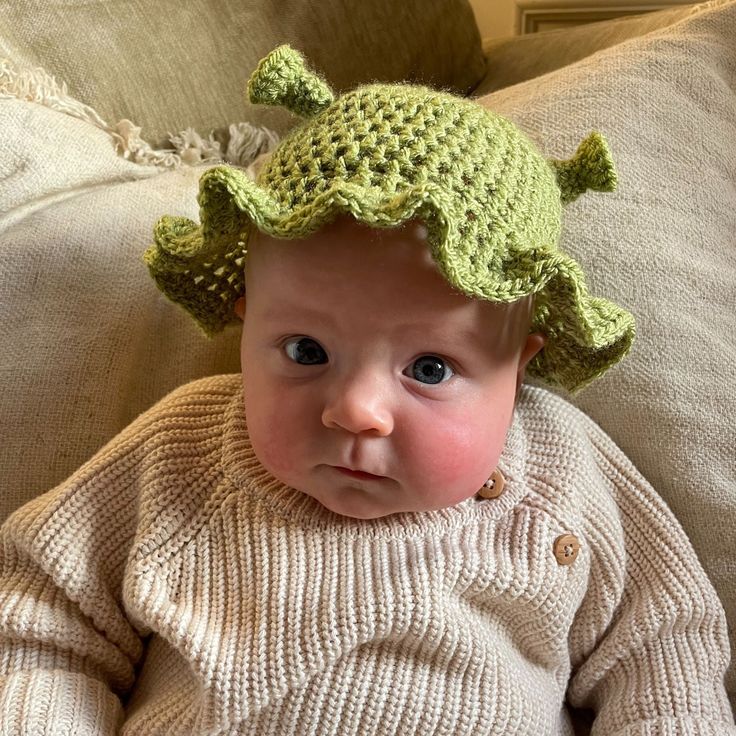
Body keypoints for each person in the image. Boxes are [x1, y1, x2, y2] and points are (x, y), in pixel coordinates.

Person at [0, 44, 733, 735]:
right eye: (306, 350)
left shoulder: (562, 473)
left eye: (431, 369)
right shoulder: (181, 454)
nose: (354, 408)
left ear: (519, 366)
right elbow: (38, 619)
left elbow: (665, 653)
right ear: (246, 322)